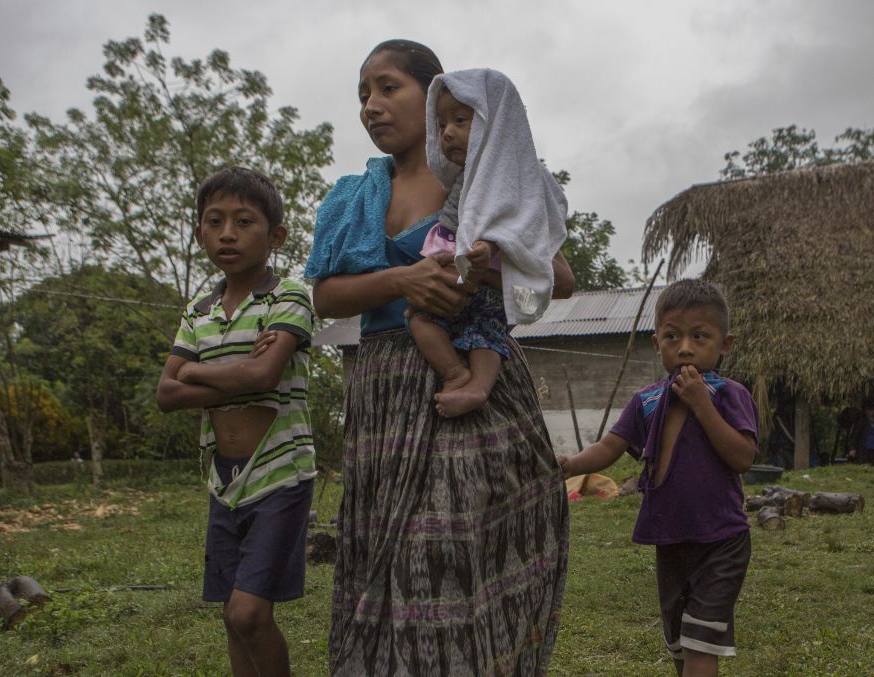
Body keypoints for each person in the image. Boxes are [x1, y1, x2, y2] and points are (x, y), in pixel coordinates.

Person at [305, 39, 574, 675]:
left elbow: (558, 277)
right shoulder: (354, 195)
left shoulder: (486, 177)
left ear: (433, 96)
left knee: (457, 549)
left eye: (387, 87)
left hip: (476, 377)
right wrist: (403, 282)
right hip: (386, 391)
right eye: (362, 94)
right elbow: (325, 296)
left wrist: (478, 272)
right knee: (391, 556)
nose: (371, 106)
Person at [156, 167, 316, 677]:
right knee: (231, 615)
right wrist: (237, 371)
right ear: (200, 232)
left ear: (276, 236)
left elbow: (266, 375)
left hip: (280, 475)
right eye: (215, 221)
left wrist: (197, 370)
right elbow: (166, 392)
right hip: (223, 482)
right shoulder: (198, 311)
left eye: (244, 222)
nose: (228, 233)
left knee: (249, 612)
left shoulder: (289, 296)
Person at [556, 279, 757, 677]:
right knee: (680, 644)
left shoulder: (729, 395)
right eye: (672, 336)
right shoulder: (646, 400)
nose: (684, 347)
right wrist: (571, 464)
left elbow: (743, 457)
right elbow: (611, 447)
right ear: (656, 343)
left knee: (702, 644)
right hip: (669, 538)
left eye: (699, 336)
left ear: (725, 344)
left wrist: (702, 405)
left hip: (721, 539)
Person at [407, 68, 568, 417]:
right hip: (455, 278)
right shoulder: (462, 178)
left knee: (485, 333)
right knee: (419, 319)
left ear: (495, 122)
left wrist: (488, 250)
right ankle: (454, 373)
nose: (448, 132)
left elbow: (510, 219)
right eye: (441, 124)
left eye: (461, 120)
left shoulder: (512, 177)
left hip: (486, 281)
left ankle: (478, 387)